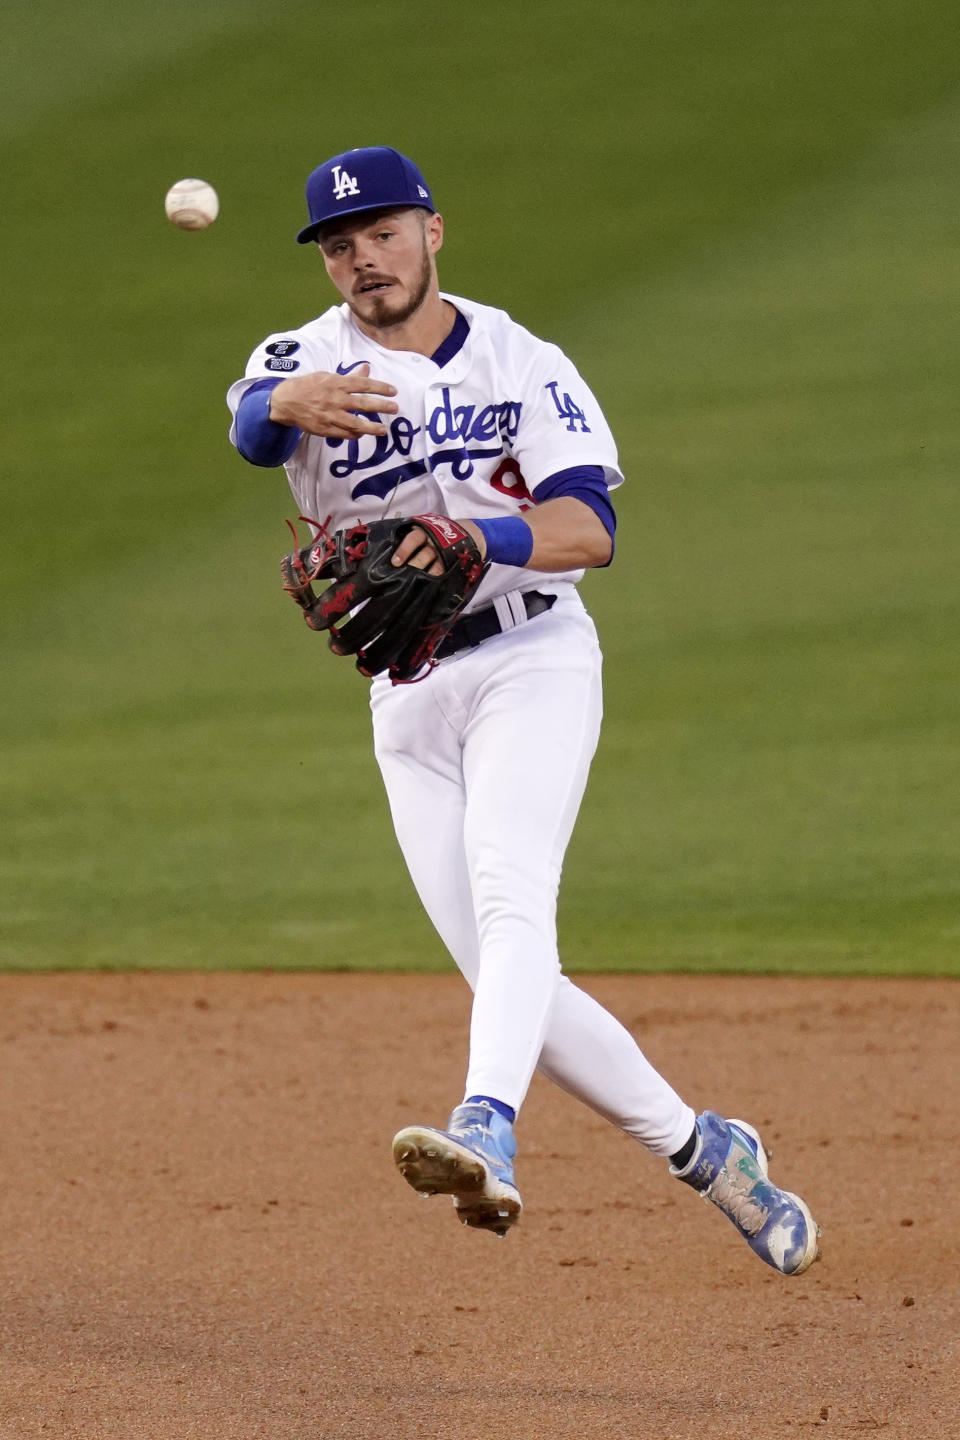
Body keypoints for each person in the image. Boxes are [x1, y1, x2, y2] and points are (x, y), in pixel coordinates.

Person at [226, 146, 821, 1274]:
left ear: (433, 232)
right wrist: (273, 401)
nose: (364, 260)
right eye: (342, 247)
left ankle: (483, 1127)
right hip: (404, 695)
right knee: (514, 978)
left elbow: (589, 530)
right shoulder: (297, 357)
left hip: (531, 659)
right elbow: (255, 431)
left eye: (385, 234)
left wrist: (474, 540)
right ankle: (714, 1157)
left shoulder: (520, 360)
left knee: (511, 894)